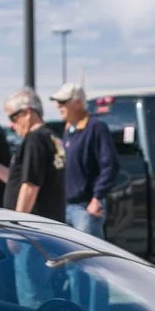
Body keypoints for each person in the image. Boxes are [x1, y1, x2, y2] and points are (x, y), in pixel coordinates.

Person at [3, 89, 68, 305]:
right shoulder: (51, 137)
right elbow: (21, 180)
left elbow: (30, 185)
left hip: (32, 234)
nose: (12, 124)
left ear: (28, 112)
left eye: (13, 117)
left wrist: (15, 228)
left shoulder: (34, 139)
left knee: (32, 296)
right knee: (44, 292)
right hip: (46, 230)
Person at [52, 83, 117, 237]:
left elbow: (110, 165)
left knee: (87, 252)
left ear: (78, 103)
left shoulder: (96, 127)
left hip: (85, 208)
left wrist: (97, 199)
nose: (58, 106)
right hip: (66, 206)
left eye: (63, 102)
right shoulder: (69, 129)